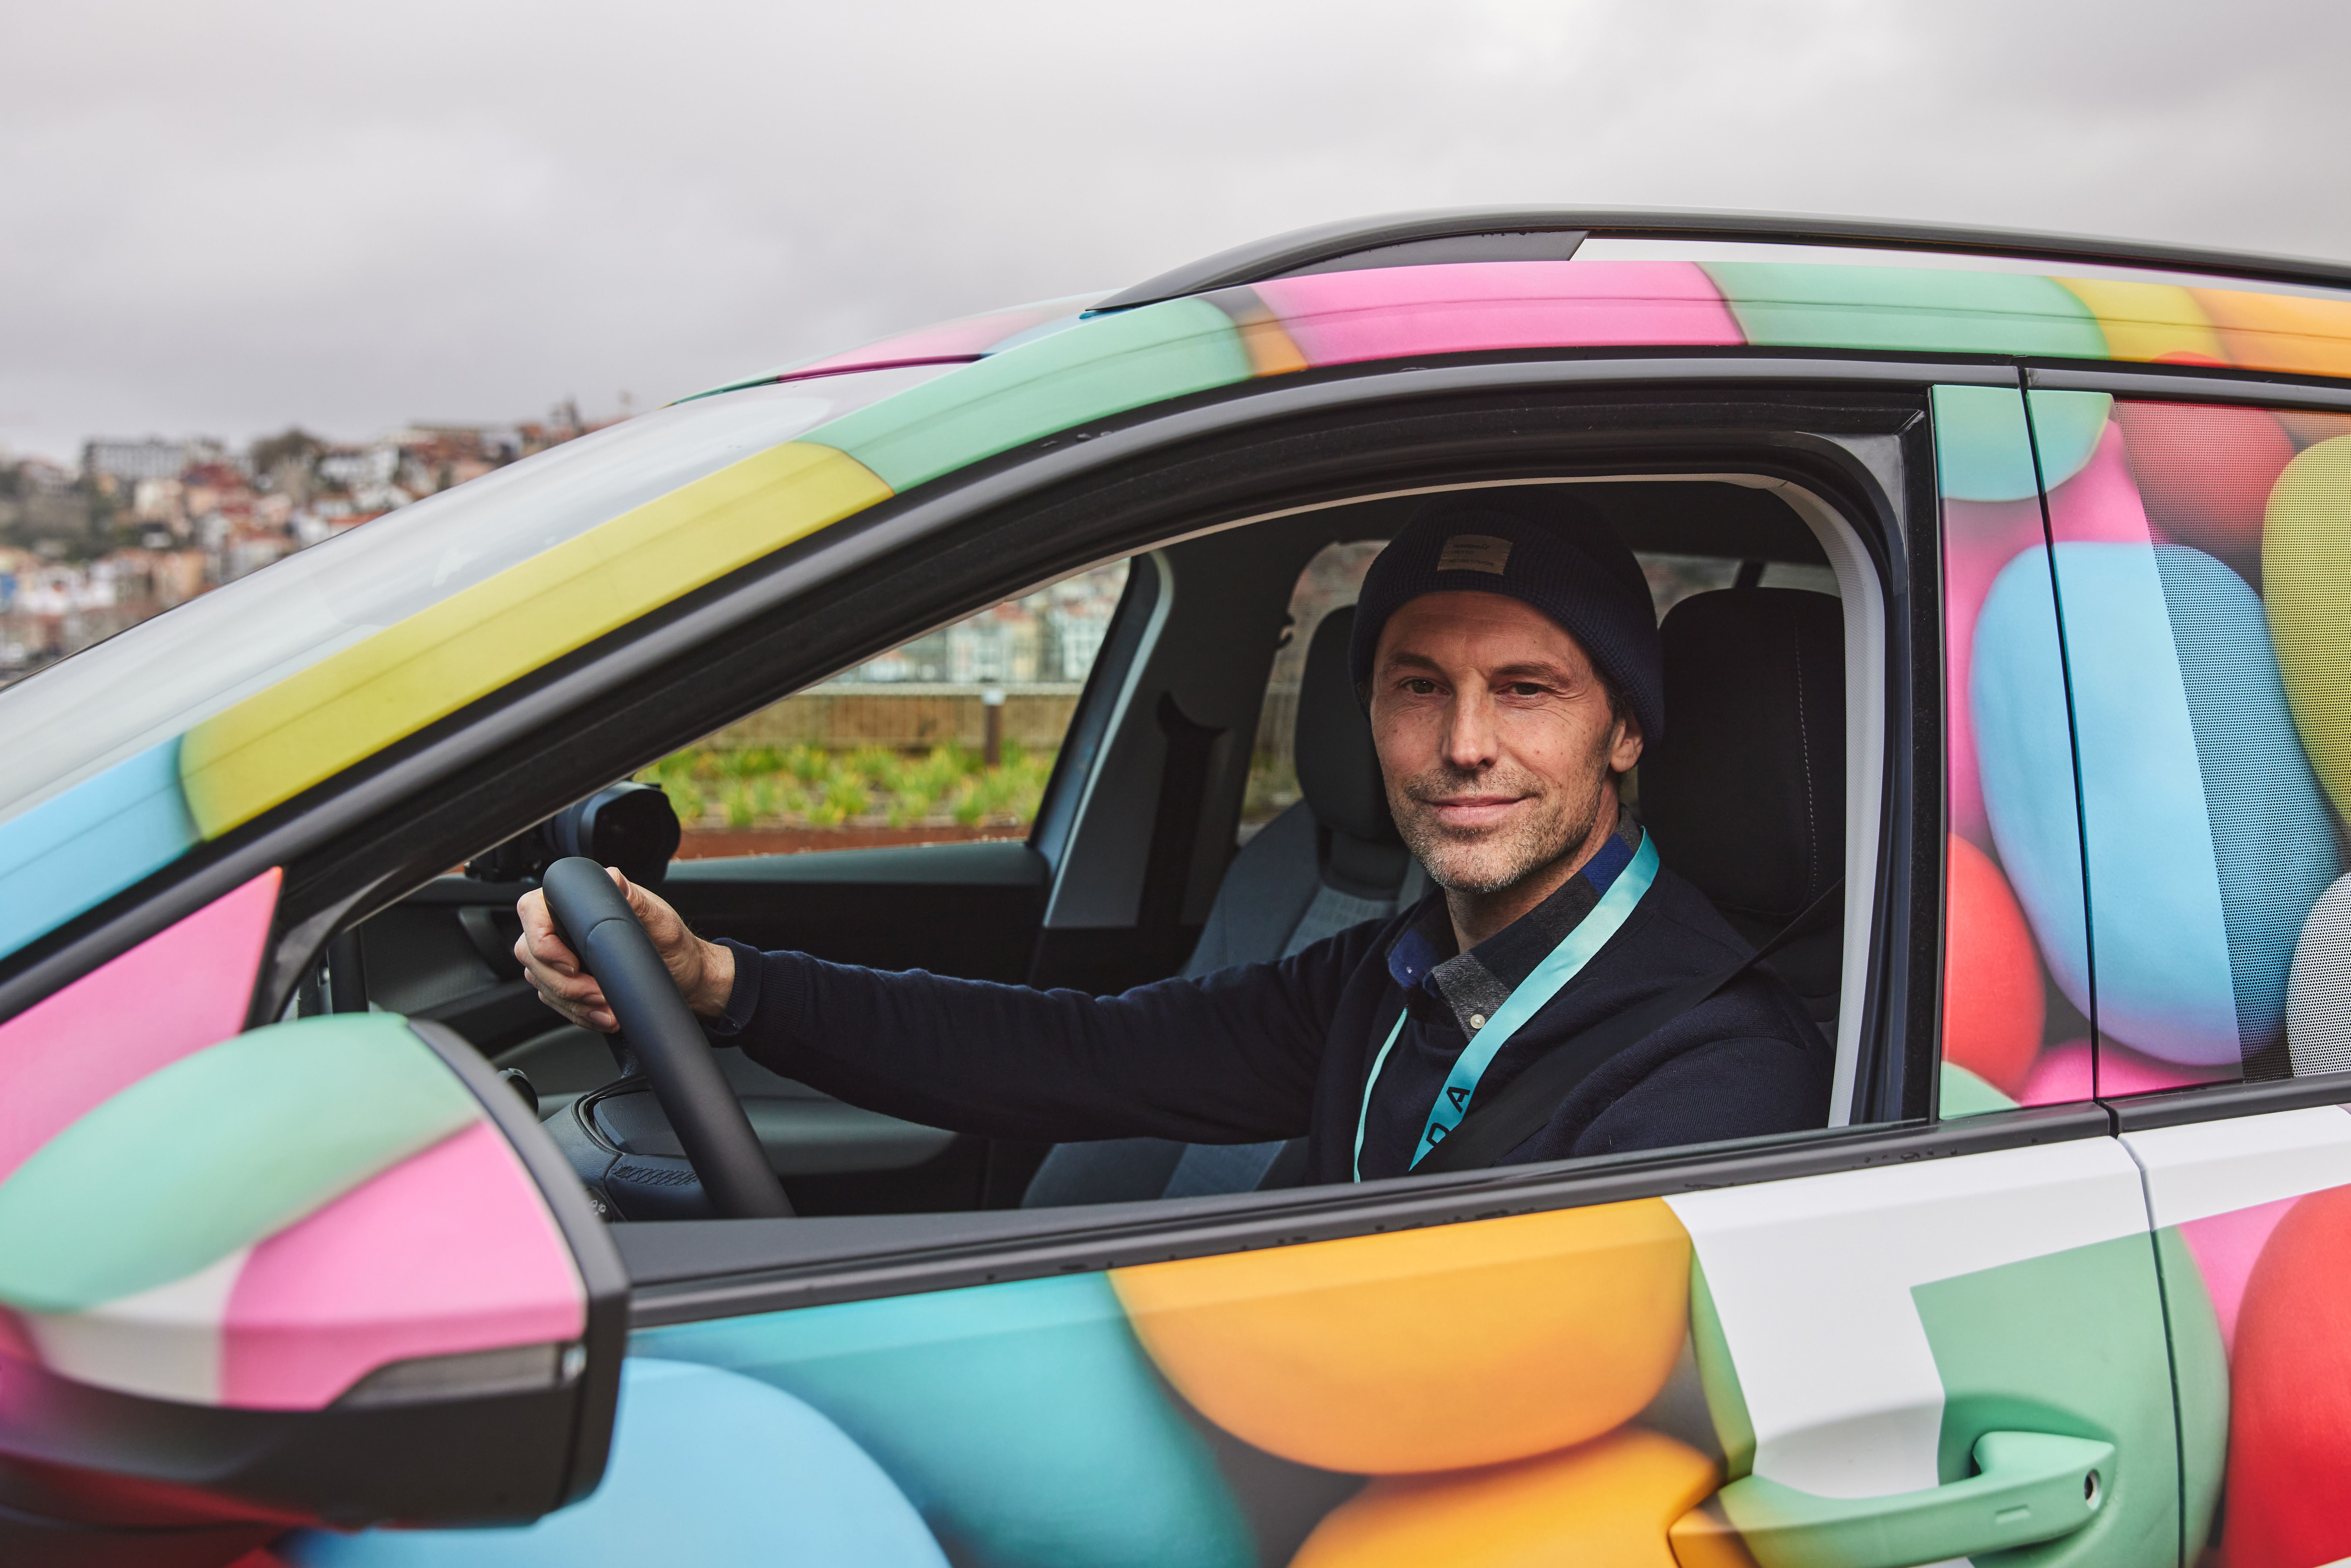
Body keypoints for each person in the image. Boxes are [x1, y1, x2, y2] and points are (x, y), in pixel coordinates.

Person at [516, 491, 1831, 1183]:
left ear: (1625, 730)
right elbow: (1077, 1055)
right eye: (1417, 685)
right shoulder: (1399, 971)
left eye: (1527, 689)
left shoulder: (1717, 1070)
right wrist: (721, 982)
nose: (1464, 743)